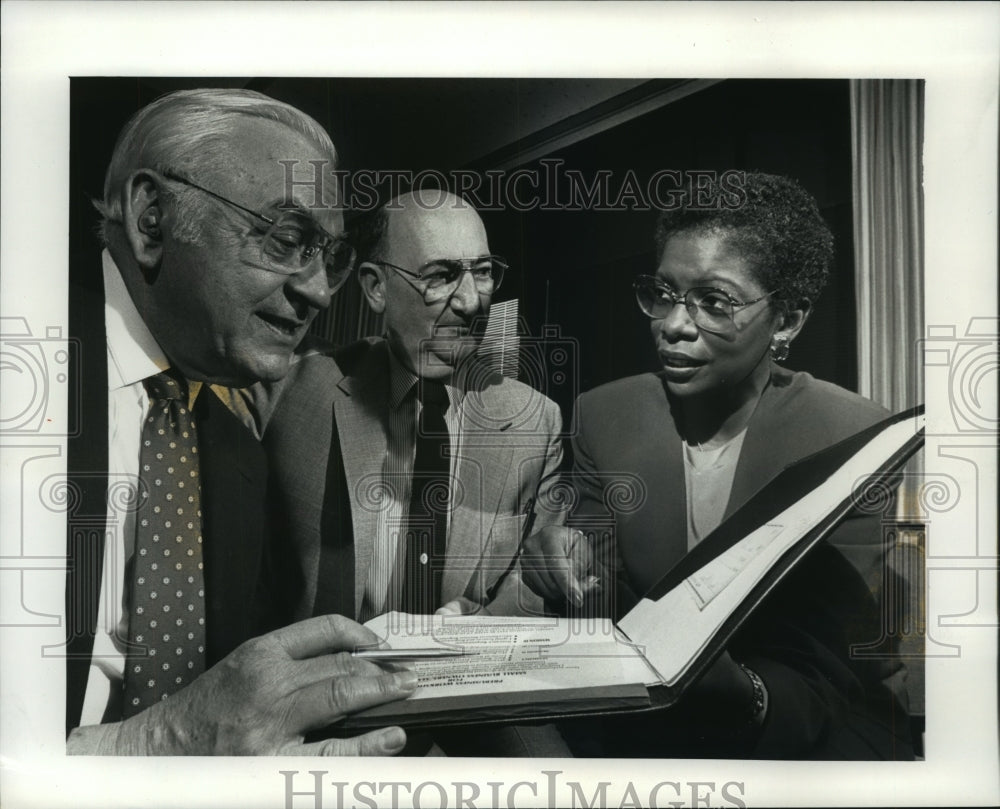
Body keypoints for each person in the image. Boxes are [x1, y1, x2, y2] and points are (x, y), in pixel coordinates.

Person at [65, 88, 417, 755]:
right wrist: (154, 744)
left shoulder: (238, 456)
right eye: (287, 239)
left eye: (329, 257)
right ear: (151, 219)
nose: (317, 291)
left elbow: (230, 710)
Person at [522, 172, 914, 759]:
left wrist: (743, 695)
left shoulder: (853, 437)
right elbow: (601, 598)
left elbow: (828, 664)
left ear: (786, 320)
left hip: (806, 728)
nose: (674, 325)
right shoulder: (606, 414)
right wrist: (557, 560)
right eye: (663, 293)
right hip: (646, 721)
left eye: (714, 301)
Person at [256, 190, 564, 625]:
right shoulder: (289, 386)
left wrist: (484, 619)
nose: (472, 301)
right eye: (441, 275)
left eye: (483, 272)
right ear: (376, 287)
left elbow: (536, 585)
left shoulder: (537, 422)